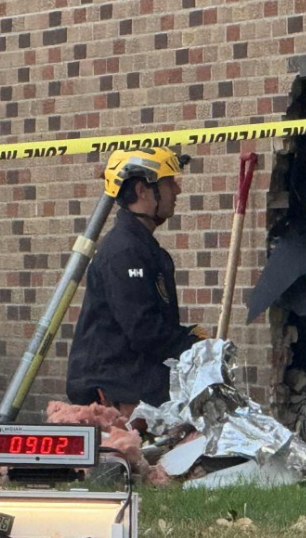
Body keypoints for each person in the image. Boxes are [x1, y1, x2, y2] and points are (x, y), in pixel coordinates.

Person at [66, 147, 207, 416]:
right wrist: (190, 345)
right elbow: (143, 330)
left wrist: (188, 339)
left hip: (133, 384)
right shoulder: (125, 251)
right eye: (168, 183)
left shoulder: (141, 247)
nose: (176, 191)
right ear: (142, 191)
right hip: (118, 393)